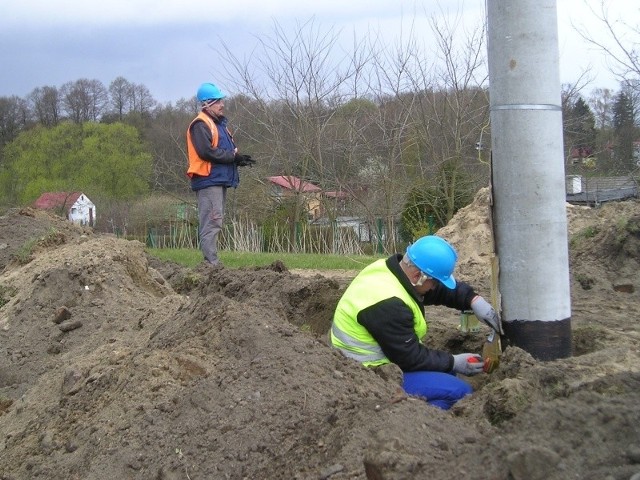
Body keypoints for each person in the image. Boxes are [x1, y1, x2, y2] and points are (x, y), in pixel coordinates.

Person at [331, 235, 504, 410]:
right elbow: (410, 358)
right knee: (461, 392)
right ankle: (416, 417)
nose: (435, 287)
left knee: (447, 372)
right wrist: (453, 361)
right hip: (369, 373)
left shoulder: (391, 271)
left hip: (388, 355)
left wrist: (472, 300)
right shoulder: (389, 305)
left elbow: (435, 291)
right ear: (417, 276)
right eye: (434, 282)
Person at [186, 82, 254, 266]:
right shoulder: (200, 124)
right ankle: (211, 264)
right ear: (206, 104)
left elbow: (222, 151)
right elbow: (206, 152)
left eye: (221, 100)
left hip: (218, 179)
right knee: (212, 221)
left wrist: (238, 159)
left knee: (216, 220)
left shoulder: (219, 125)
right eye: (217, 101)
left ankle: (212, 263)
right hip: (208, 180)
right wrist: (232, 157)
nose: (222, 104)